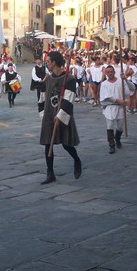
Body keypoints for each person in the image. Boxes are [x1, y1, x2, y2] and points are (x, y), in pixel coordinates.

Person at [39, 51, 82, 184]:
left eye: (48, 62)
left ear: (54, 63)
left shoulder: (69, 79)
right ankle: (50, 172)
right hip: (49, 115)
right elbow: (42, 97)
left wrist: (60, 115)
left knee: (66, 144)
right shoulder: (47, 79)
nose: (47, 64)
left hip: (63, 115)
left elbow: (69, 99)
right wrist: (42, 114)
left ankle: (77, 160)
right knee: (48, 143)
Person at [99, 66, 135, 154]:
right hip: (110, 107)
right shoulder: (104, 84)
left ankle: (117, 139)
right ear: (106, 73)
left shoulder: (121, 81)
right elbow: (105, 97)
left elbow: (131, 89)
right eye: (108, 72)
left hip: (120, 107)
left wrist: (125, 79)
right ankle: (111, 145)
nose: (110, 74)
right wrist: (117, 100)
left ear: (114, 72)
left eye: (111, 72)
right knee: (110, 126)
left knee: (120, 127)